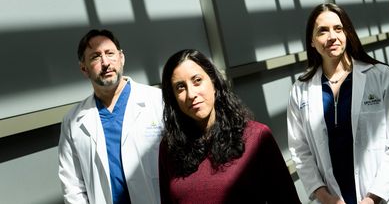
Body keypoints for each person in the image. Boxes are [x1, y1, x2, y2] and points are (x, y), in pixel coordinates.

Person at [287, 3, 389, 204]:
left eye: (338, 28)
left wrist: (372, 198)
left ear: (347, 33)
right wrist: (324, 196)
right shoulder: (300, 90)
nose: (332, 37)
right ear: (312, 41)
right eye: (322, 31)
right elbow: (300, 150)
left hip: (382, 197)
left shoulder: (381, 76)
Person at [158, 49, 301, 204]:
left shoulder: (256, 136)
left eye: (197, 80)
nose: (191, 94)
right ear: (173, 98)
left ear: (213, 82)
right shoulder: (169, 148)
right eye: (180, 87)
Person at [58, 29, 164, 204]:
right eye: (95, 57)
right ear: (84, 68)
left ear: (121, 58)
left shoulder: (157, 101)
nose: (105, 62)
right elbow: (72, 185)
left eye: (110, 53)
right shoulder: (73, 121)